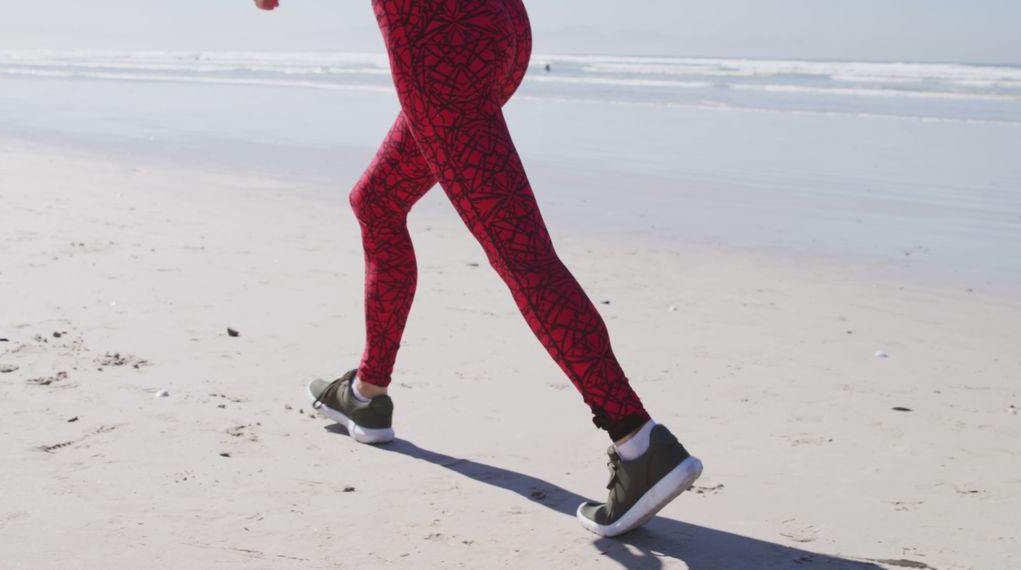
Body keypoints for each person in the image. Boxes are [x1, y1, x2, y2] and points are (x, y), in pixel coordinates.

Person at [255, 0, 703, 537]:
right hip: (498, 27)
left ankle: (637, 440)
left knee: (521, 251)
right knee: (376, 200)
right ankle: (367, 395)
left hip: (439, 40)